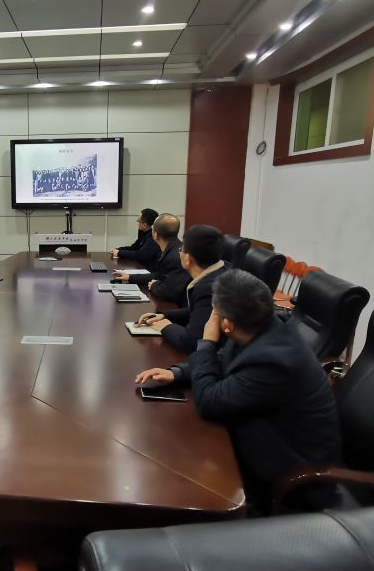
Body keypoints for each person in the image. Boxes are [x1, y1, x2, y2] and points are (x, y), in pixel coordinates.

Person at [134, 269, 340, 512]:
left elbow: (209, 402)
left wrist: (207, 342)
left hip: (290, 480)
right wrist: (178, 373)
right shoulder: (261, 326)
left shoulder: (273, 361)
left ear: (227, 325)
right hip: (261, 437)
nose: (212, 318)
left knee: (177, 474)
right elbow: (223, 360)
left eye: (214, 313)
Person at [135, 225, 227, 353]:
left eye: (181, 249)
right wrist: (164, 315)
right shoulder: (222, 271)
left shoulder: (207, 287)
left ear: (188, 259)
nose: (179, 252)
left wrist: (165, 326)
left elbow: (190, 342)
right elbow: (197, 311)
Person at [114, 213, 190, 302]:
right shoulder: (173, 249)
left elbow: (169, 292)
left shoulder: (175, 256)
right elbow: (158, 276)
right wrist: (130, 277)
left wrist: (154, 285)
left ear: (155, 234)